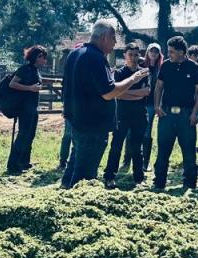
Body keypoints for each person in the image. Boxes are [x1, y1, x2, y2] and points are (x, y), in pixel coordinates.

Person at [60, 21, 149, 188]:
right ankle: (78, 204)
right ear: (103, 37)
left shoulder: (74, 54)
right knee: (85, 174)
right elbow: (109, 92)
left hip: (77, 120)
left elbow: (66, 87)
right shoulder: (95, 58)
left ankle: (65, 191)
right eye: (113, 38)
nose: (115, 42)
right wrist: (133, 79)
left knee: (74, 164)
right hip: (92, 126)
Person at [152, 36, 198, 191]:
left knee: (189, 149)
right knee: (163, 149)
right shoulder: (166, 66)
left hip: (186, 114)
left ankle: (190, 183)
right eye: (169, 51)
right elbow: (158, 87)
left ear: (182, 52)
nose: (169, 54)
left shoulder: (194, 67)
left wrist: (195, 113)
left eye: (172, 52)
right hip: (167, 113)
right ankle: (159, 182)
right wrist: (156, 106)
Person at [102, 42, 151, 188]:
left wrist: (124, 91)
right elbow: (118, 95)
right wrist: (135, 93)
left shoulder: (144, 72)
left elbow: (146, 92)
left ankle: (139, 179)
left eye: (136, 55)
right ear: (125, 56)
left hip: (139, 115)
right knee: (116, 146)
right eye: (131, 55)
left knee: (137, 148)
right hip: (121, 116)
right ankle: (109, 176)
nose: (134, 58)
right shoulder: (118, 73)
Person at [6, 45, 48, 175]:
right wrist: (30, 88)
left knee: (30, 135)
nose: (45, 61)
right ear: (37, 57)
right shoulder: (24, 69)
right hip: (24, 108)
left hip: (32, 107)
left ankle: (24, 161)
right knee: (23, 135)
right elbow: (12, 84)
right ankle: (13, 165)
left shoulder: (35, 70)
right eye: (43, 58)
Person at [58, 43, 82, 172]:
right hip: (70, 107)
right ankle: (62, 161)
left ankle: (75, 161)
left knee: (77, 136)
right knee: (67, 135)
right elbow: (64, 91)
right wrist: (65, 106)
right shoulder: (69, 71)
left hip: (82, 109)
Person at [140, 43, 163, 171]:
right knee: (143, 131)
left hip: (157, 103)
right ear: (148, 52)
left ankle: (146, 162)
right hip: (144, 102)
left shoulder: (162, 67)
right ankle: (131, 159)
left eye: (156, 51)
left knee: (149, 132)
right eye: (151, 51)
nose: (153, 53)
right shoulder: (142, 66)